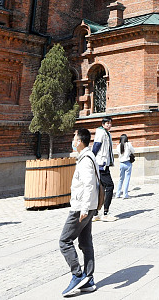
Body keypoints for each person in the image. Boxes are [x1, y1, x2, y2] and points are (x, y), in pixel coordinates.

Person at [60, 127, 100, 297]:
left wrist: (83, 209)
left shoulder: (85, 160)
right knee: (85, 242)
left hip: (81, 208)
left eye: (74, 137)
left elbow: (89, 184)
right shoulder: (88, 157)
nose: (72, 140)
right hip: (89, 206)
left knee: (64, 241)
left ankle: (77, 275)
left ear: (80, 141)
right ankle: (89, 279)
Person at [92, 117, 115, 221]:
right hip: (101, 164)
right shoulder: (101, 132)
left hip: (103, 164)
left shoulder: (106, 133)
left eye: (110, 123)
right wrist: (92, 159)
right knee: (109, 186)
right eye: (107, 123)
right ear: (103, 124)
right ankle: (105, 213)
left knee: (99, 188)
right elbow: (96, 146)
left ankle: (95, 213)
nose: (109, 125)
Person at [116, 133, 135, 198]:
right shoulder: (128, 144)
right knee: (127, 179)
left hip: (121, 163)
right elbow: (133, 151)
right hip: (127, 163)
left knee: (121, 179)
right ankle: (125, 194)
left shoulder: (118, 146)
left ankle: (117, 194)